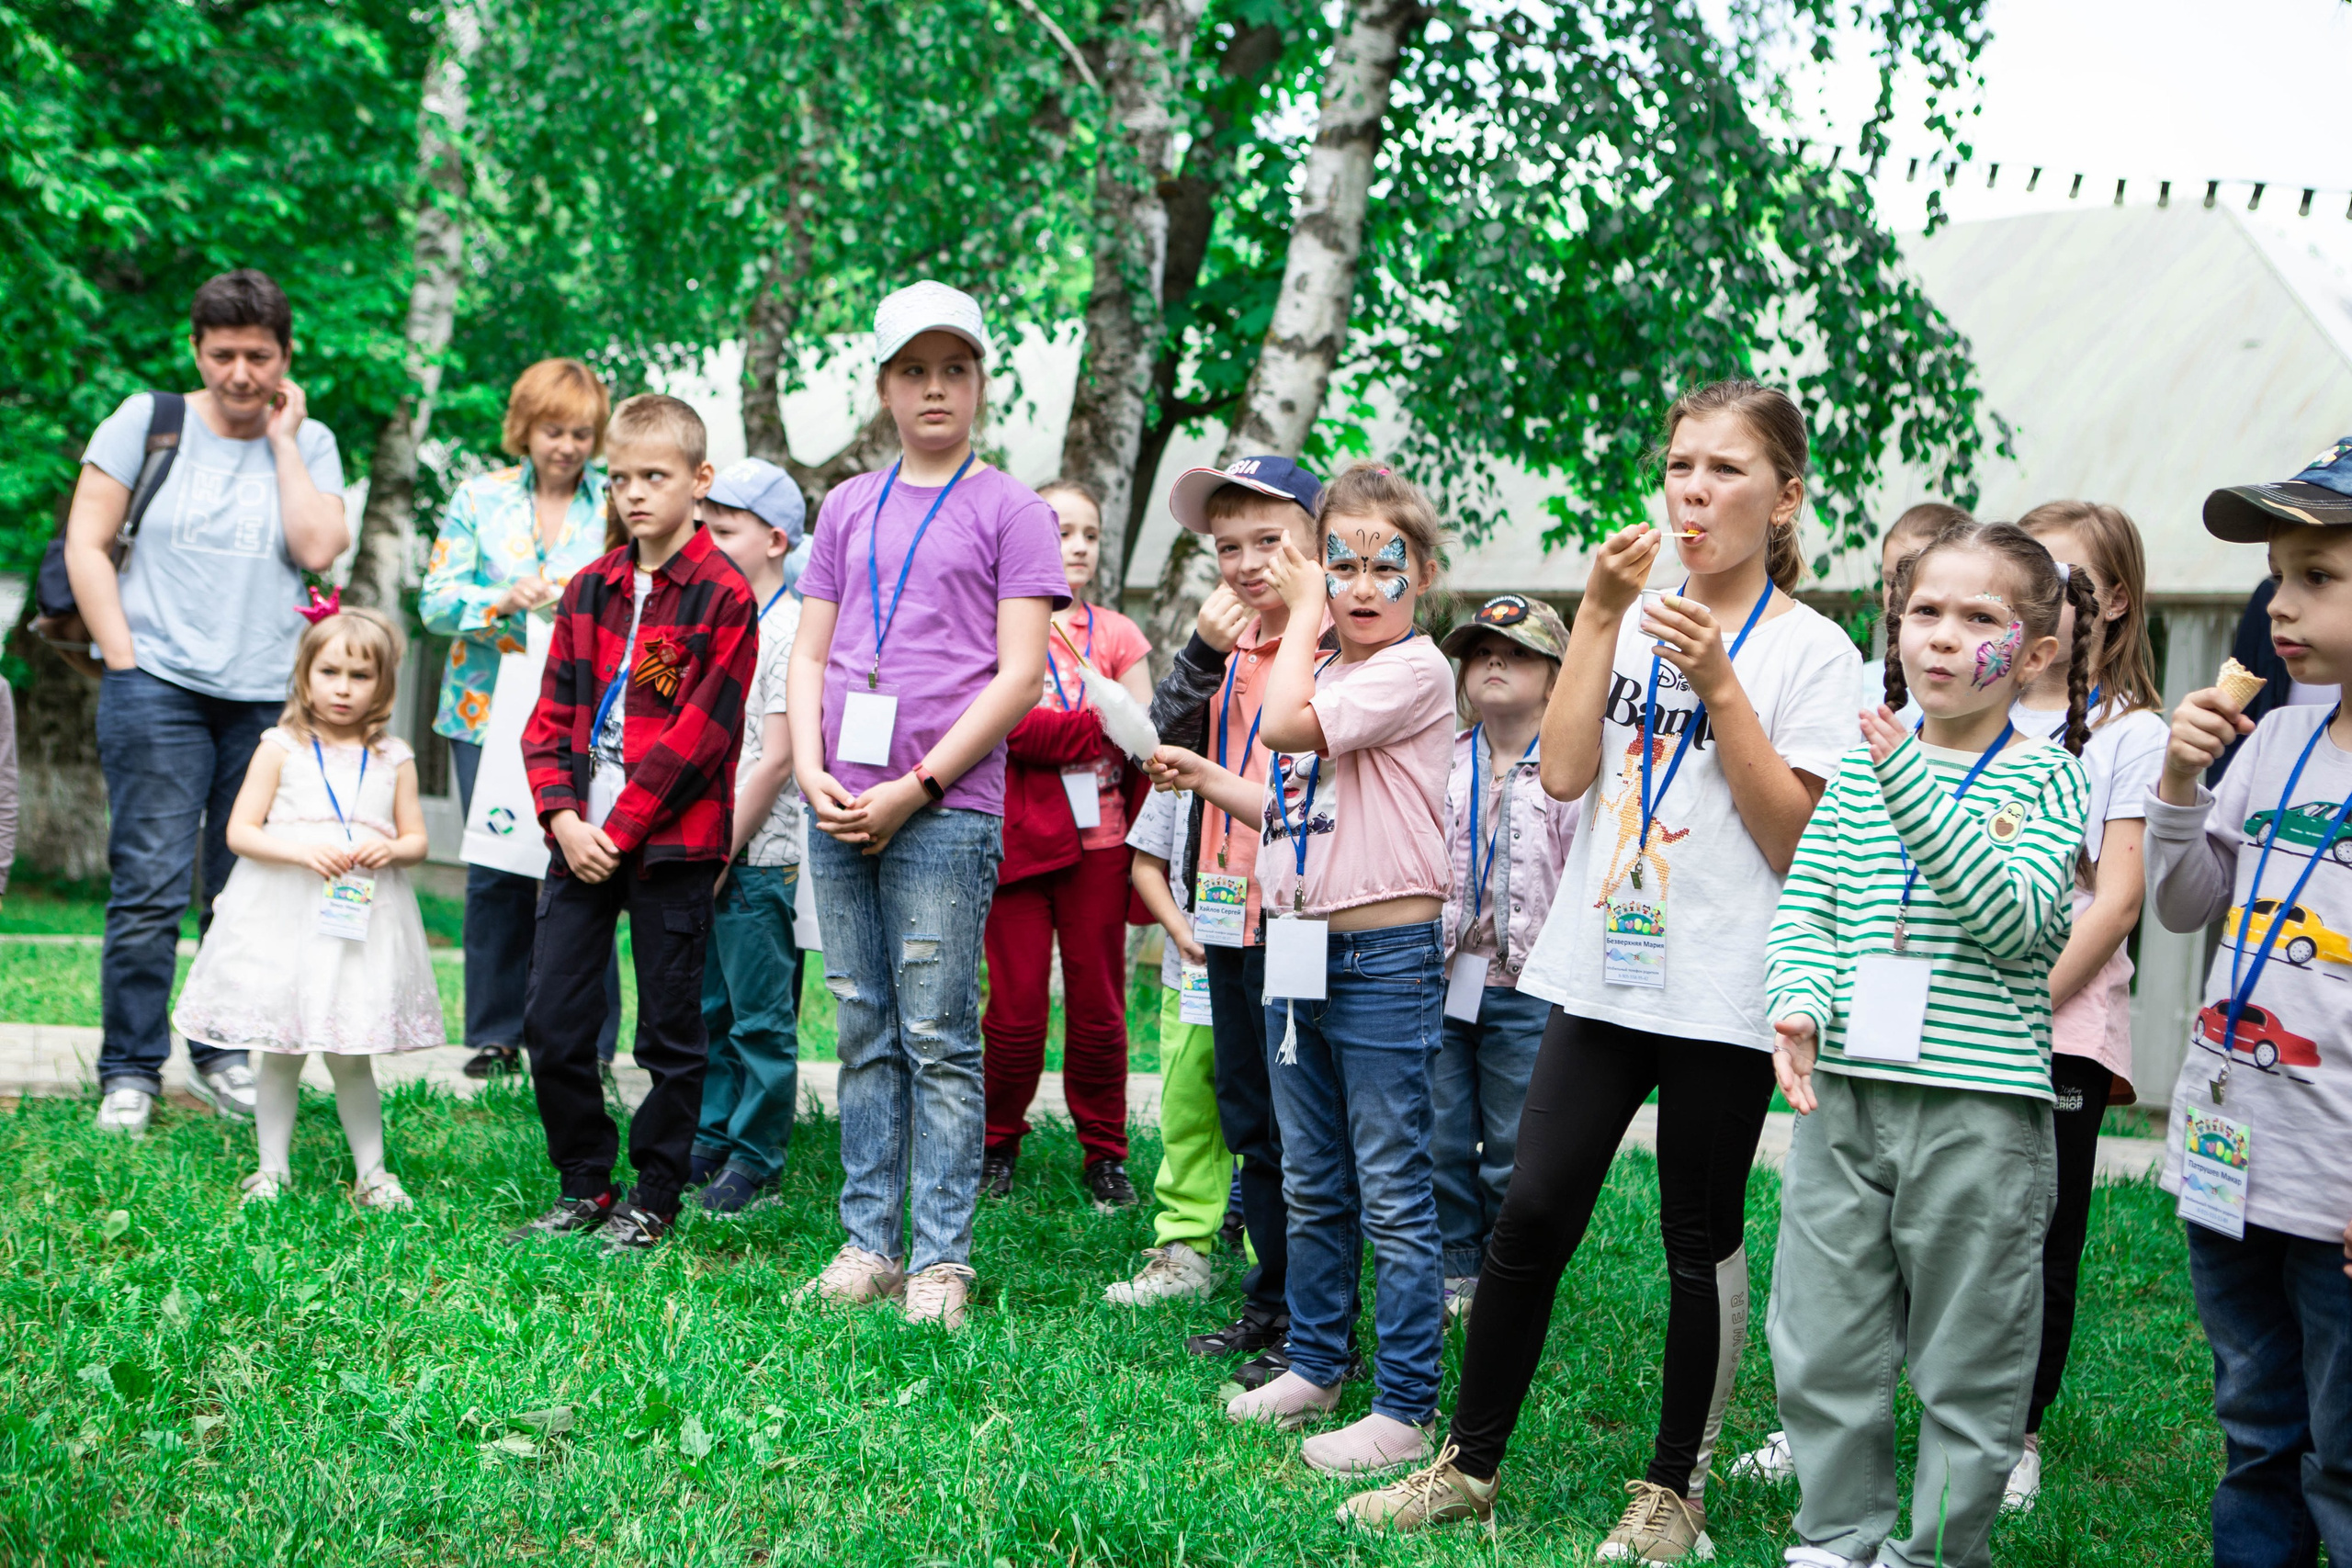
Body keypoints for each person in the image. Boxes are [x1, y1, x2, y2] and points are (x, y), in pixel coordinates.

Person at [1340, 380, 1863, 1560]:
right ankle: (1467, 1467)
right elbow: (1565, 772)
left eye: (1727, 470)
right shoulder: (1624, 615)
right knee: (1528, 1212)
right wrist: (1595, 613)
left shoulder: (1814, 652)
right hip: (1602, 970)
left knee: (1698, 1229)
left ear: (1784, 497)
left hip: (1727, 980)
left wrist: (1720, 681)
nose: (1694, 490)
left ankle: (1674, 1493)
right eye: (1681, 464)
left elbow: (1794, 836)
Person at [1765, 519, 2092, 1568]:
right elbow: (1809, 906)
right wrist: (1800, 1002)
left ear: (2033, 653)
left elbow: (2016, 923)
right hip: (1850, 1094)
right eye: (1924, 614)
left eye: (1978, 619)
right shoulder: (1860, 774)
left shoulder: (2049, 780)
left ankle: (1939, 1552)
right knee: (1823, 1330)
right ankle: (1836, 1535)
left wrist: (1908, 776)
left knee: (1971, 1348)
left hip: (1978, 1111)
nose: (1942, 640)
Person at [1153, 463, 1455, 1476]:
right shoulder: (1326, 673)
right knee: (1315, 1176)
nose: (1362, 587)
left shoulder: (1411, 669)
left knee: (1394, 1189)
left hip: (1380, 960)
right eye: (1342, 565)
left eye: (1386, 567)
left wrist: (1307, 613)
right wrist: (1209, 782)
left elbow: (1288, 725)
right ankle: (1316, 1365)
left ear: (1424, 575)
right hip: (1296, 947)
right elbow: (1294, 804)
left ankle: (1405, 1408)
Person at [788, 281, 1064, 1329]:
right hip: (839, 798)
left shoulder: (1013, 509)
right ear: (883, 388)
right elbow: (811, 650)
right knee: (861, 1021)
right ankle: (869, 1242)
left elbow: (1020, 676)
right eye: (914, 371)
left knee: (938, 1031)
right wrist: (814, 770)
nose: (934, 389)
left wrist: (918, 787)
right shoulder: (848, 505)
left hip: (944, 811)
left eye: (954, 369)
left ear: (981, 384)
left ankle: (942, 1258)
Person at [66, 269, 349, 1134]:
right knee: (150, 884)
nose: (238, 374)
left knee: (243, 892)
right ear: (196, 349)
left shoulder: (313, 441)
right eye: (222, 354)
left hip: (267, 698)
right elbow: (85, 541)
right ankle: (130, 1069)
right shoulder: (145, 422)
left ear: (285, 358)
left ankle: (223, 1054)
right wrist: (124, 658)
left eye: (257, 357)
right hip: (156, 685)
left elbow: (319, 547)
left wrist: (287, 443)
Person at [2146, 440, 2352, 1568]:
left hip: (2337, 1197)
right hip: (2230, 1166)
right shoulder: (2271, 739)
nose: (2280, 604)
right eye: (2277, 575)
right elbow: (2184, 904)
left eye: (2317, 576)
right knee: (2258, 1433)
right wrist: (2178, 784)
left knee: (2346, 1457)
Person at [505, 393, 758, 1254]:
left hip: (669, 849)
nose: (635, 495)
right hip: (579, 841)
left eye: (655, 476)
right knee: (553, 1018)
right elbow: (549, 718)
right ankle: (584, 1182)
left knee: (669, 1030)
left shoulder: (724, 597)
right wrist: (564, 817)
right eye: (621, 479)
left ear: (700, 480)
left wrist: (621, 823)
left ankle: (654, 1192)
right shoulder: (591, 588)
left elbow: (703, 734)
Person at [1138, 454, 1327, 1385]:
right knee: (1249, 1115)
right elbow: (1155, 747)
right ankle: (1266, 1303)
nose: (1248, 565)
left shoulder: (1340, 644)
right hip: (1226, 914)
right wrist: (1199, 656)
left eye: (1269, 541)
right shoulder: (1230, 648)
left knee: (1303, 1129)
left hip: (1303, 921)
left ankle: (1313, 1319)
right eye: (1227, 549)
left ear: (1317, 539)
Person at [172, 605, 443, 1207]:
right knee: (282, 1046)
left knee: (351, 1051)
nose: (343, 687)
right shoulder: (280, 746)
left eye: (360, 675)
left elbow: (417, 839)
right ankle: (272, 1169)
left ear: (384, 683)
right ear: (305, 674)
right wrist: (299, 851)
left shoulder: (393, 755)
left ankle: (373, 1173)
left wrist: (390, 848)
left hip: (360, 918)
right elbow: (240, 830)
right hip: (284, 914)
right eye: (329, 671)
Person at [420, 357, 622, 1079]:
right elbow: (435, 602)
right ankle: (495, 1032)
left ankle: (589, 1039)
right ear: (524, 429)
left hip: (587, 716)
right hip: (484, 711)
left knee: (585, 864)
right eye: (551, 430)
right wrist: (503, 598)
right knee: (495, 868)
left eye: (580, 432)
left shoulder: (616, 501)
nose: (566, 446)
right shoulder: (478, 497)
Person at [980, 477, 1152, 1207]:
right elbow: (1004, 725)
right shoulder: (997, 624)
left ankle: (1105, 1154)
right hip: (1016, 843)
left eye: (1088, 533)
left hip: (1102, 843)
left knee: (1099, 1008)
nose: (1074, 546)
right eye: (1058, 531)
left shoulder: (1118, 634)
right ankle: (995, 1145)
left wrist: (1052, 733)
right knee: (1015, 1010)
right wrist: (1092, 726)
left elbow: (1146, 733)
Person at [1431, 594, 1578, 1320]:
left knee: (1514, 1138)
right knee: (1441, 1126)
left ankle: (1505, 1260)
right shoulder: (1441, 759)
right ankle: (1455, 1262)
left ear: (1556, 675)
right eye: (1480, 651)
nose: (1494, 661)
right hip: (1443, 977)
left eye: (1518, 652)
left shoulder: (1572, 765)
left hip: (1528, 984)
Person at [688, 458, 808, 1214]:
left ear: (774, 539)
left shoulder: (793, 628)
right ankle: (711, 1129)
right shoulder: (715, 616)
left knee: (761, 1011)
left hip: (759, 852)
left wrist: (721, 851)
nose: (706, 540)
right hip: (704, 845)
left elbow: (777, 757)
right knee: (709, 1006)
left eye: (723, 529)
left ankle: (756, 1151)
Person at [1102, 781, 1233, 1303]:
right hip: (1193, 976)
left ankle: (1279, 1266)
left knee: (1272, 1121)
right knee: (1186, 1110)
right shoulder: (1179, 768)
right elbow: (1144, 865)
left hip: (1272, 973)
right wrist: (1180, 932)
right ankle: (1184, 1256)